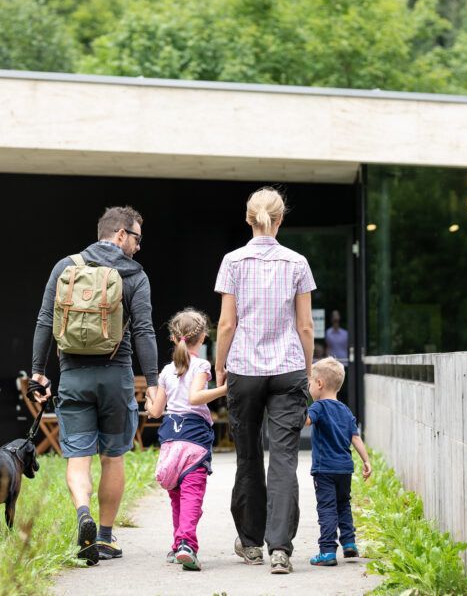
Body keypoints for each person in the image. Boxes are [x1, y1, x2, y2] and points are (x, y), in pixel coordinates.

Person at [30, 206, 159, 566]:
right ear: (120, 235)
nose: (137, 246)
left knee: (78, 456)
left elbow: (44, 321)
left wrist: (38, 373)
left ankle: (82, 511)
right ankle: (103, 536)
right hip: (116, 376)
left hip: (73, 375)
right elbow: (145, 330)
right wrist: (152, 383)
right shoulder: (134, 274)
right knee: (113, 456)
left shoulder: (65, 267)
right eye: (136, 238)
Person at [214, 187, 315, 575]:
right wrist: (306, 370)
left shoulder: (233, 261)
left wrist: (221, 364)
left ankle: (252, 544)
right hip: (288, 368)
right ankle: (281, 550)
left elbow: (226, 323)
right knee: (285, 459)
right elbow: (305, 325)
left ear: (248, 218)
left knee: (249, 456)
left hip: (244, 369)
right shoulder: (297, 262)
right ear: (281, 219)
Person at [145, 308, 227, 572]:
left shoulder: (167, 371)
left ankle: (177, 544)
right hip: (194, 439)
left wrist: (149, 400)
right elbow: (194, 398)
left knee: (177, 496)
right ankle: (187, 546)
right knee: (192, 494)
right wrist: (226, 388)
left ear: (173, 337)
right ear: (202, 337)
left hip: (170, 438)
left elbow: (156, 412)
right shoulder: (201, 366)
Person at [305, 358, 371, 567]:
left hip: (324, 469)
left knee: (326, 508)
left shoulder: (318, 407)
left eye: (310, 383)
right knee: (343, 505)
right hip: (344, 468)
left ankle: (327, 551)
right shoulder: (345, 410)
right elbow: (355, 438)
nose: (309, 387)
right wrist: (366, 460)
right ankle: (349, 543)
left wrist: (296, 404)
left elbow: (304, 421)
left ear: (320, 384)